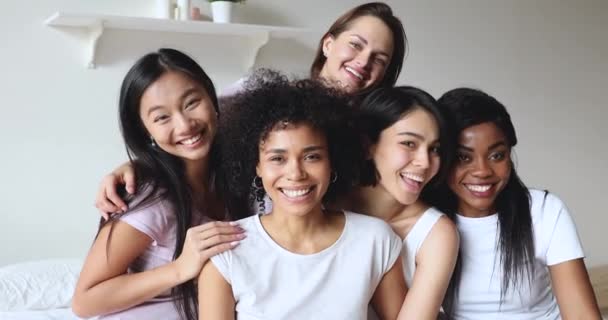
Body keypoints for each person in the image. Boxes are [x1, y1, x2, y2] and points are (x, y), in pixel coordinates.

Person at [93, 2, 408, 216]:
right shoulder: (259, 93)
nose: (364, 62)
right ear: (328, 44)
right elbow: (192, 128)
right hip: (239, 240)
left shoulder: (373, 133)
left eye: (379, 59)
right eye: (356, 44)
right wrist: (137, 166)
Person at [198, 74, 406, 319]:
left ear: (333, 162)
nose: (295, 173)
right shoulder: (227, 251)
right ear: (256, 166)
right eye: (278, 159)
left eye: (312, 156)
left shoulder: (375, 240)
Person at [71, 48, 244, 320]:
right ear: (146, 131)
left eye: (191, 103)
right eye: (162, 117)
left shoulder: (236, 170)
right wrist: (181, 267)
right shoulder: (150, 200)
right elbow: (84, 301)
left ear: (212, 99)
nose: (185, 124)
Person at [433, 88, 601, 319]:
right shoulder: (428, 222)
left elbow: (581, 315)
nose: (482, 171)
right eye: (463, 157)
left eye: (497, 155)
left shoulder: (544, 210)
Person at [347, 87, 459, 319]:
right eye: (409, 143)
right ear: (368, 145)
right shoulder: (323, 204)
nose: (425, 162)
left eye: (434, 149)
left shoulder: (436, 234)